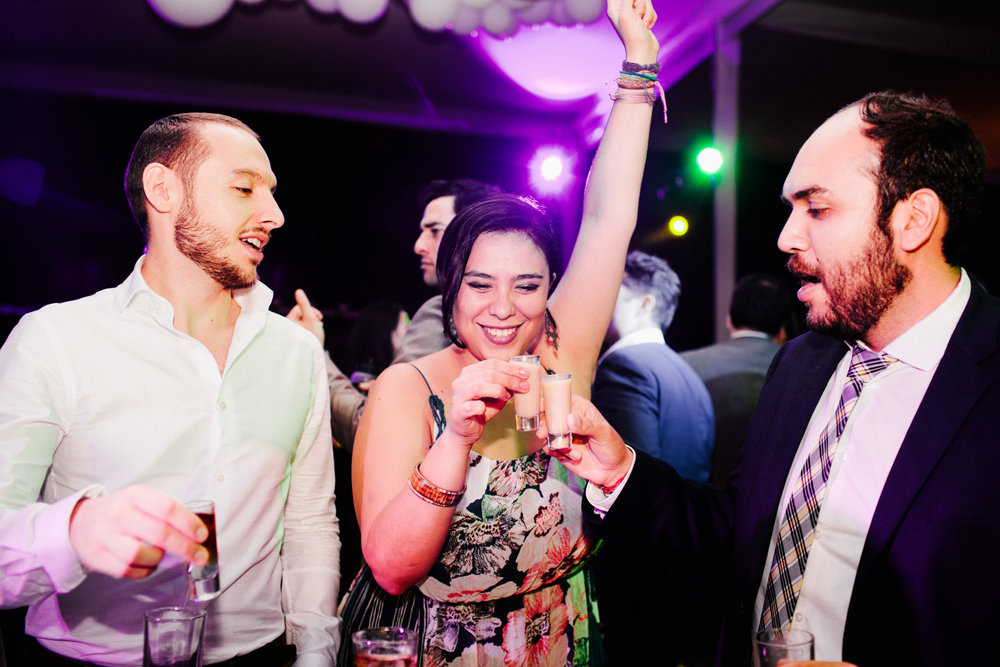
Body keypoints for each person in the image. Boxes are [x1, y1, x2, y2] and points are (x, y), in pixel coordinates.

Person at [543, 91, 997, 666]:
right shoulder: (803, 362)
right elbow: (742, 529)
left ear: (914, 219)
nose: (786, 237)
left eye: (818, 208)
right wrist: (620, 471)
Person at [336, 1, 660, 663]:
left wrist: (639, 64)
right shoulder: (408, 388)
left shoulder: (563, 356)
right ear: (451, 292)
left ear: (550, 291)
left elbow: (607, 218)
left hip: (563, 633)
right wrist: (455, 434)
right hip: (446, 649)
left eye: (528, 284)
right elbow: (392, 567)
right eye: (480, 284)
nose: (503, 307)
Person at [0, 113, 340, 665]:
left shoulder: (294, 351)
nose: (273, 215)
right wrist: (72, 531)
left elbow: (308, 523)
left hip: (254, 655)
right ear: (163, 189)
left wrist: (317, 650)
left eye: (272, 194)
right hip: (91, 659)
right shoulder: (55, 340)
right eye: (243, 188)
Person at [286, 179, 499, 450]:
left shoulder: (444, 311)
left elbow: (372, 432)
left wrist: (313, 352)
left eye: (434, 231)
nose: (418, 245)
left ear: (472, 234)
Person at [592, 249, 714, 478]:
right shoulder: (688, 373)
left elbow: (631, 476)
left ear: (645, 304)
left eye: (613, 290)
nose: (601, 298)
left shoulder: (624, 366)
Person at [681, 273, 793, 482]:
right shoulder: (799, 371)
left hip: (699, 495)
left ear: (729, 318)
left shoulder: (684, 366)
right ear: (782, 328)